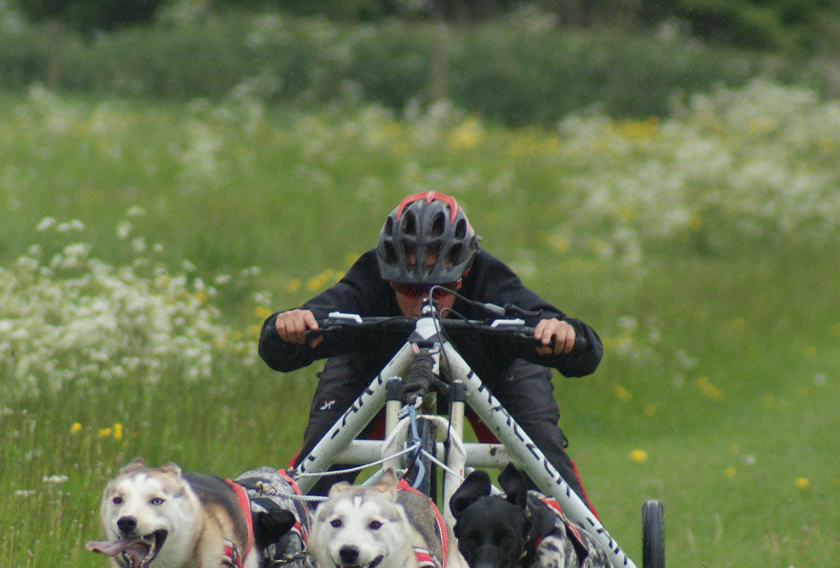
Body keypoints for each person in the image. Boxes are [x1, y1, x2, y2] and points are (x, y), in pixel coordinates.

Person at [257, 190, 603, 506]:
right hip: (370, 369)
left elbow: (584, 351)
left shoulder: (489, 280)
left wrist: (561, 334)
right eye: (408, 291)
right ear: (388, 276)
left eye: (441, 289)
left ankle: (587, 556)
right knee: (316, 472)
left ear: (464, 274)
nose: (425, 302)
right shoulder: (367, 279)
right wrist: (289, 328)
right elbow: (284, 346)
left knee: (548, 471)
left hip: (494, 370)